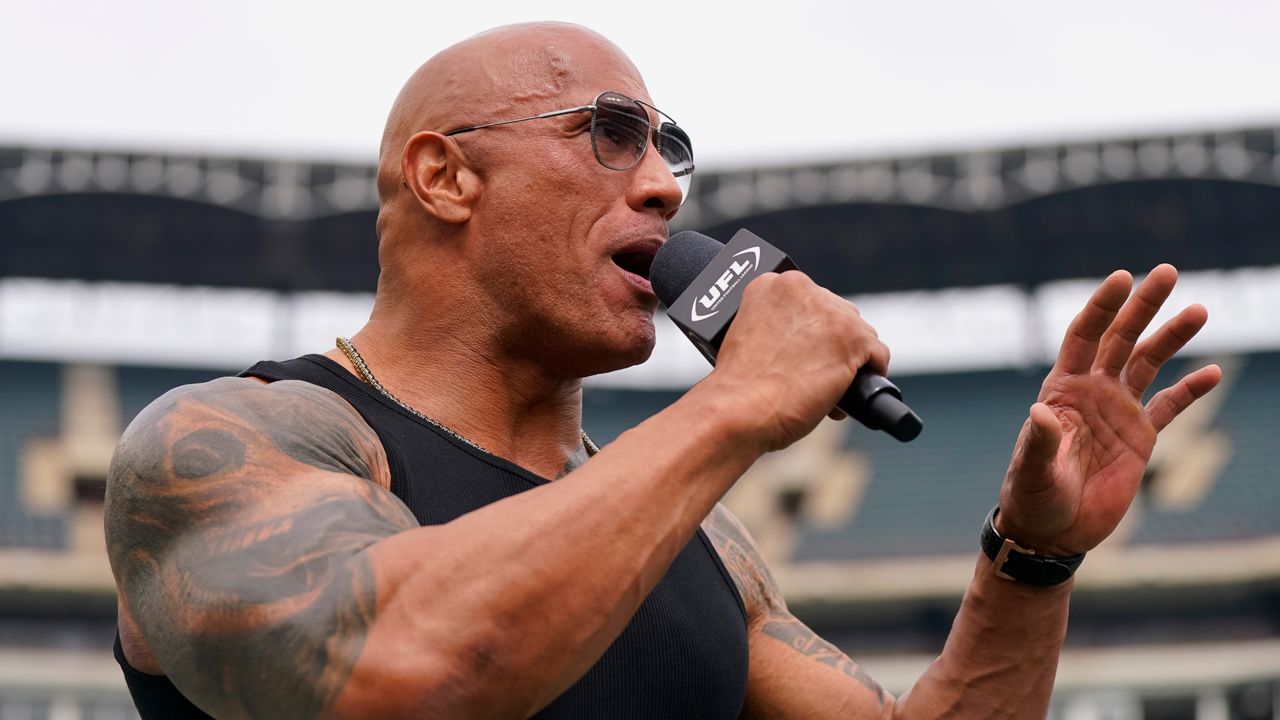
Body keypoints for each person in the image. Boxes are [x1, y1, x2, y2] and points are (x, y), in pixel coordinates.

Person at [104, 21, 1221, 719]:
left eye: (667, 147)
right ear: (445, 178)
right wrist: (737, 402)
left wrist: (1029, 561)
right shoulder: (228, 444)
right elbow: (402, 673)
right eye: (608, 132)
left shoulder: (702, 549)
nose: (662, 187)